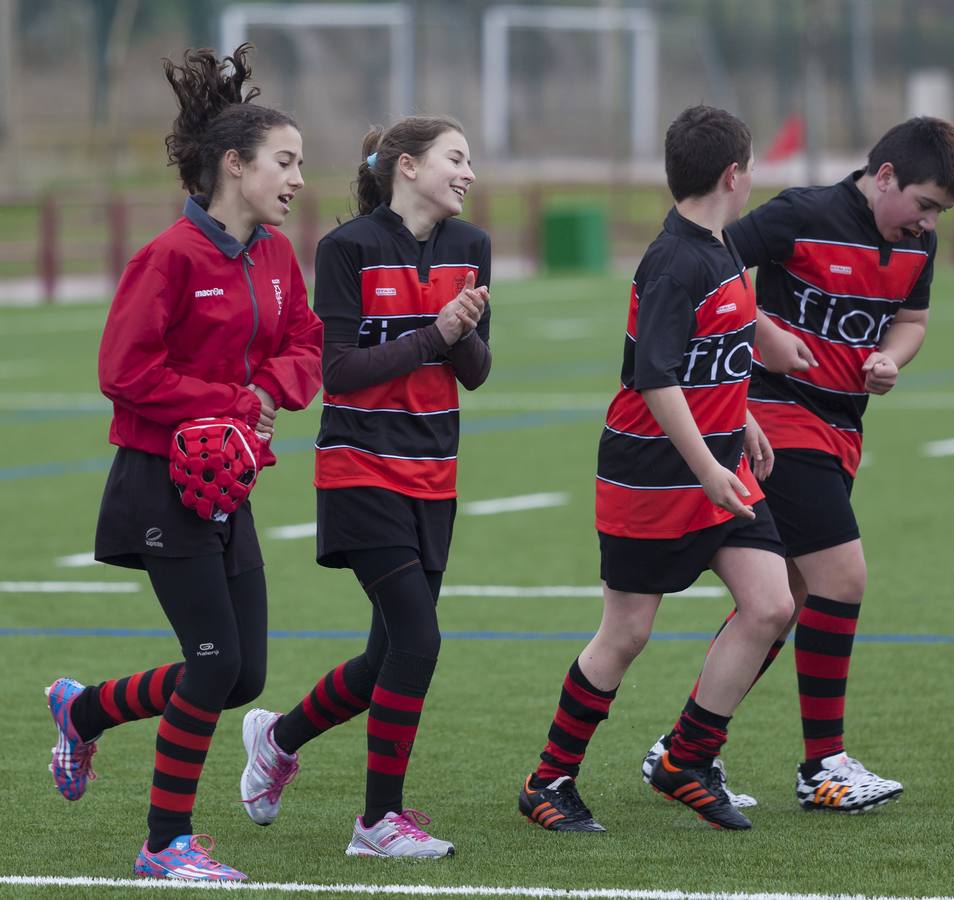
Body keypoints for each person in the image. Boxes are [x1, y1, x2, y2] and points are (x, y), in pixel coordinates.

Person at [43, 44, 323, 882]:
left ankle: (84, 711)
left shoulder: (274, 255)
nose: (299, 179)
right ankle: (165, 844)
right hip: (158, 479)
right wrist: (230, 403)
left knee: (243, 675)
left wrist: (271, 384)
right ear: (234, 166)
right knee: (211, 663)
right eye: (286, 162)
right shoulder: (169, 258)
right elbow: (122, 374)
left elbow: (306, 341)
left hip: (226, 483)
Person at [641, 116, 954, 814]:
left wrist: (891, 359)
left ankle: (684, 748)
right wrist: (764, 332)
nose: (928, 222)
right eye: (923, 204)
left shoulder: (919, 245)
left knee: (782, 603)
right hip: (777, 418)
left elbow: (912, 321)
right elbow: (712, 258)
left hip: (843, 428)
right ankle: (822, 766)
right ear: (885, 177)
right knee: (843, 578)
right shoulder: (803, 214)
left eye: (939, 212)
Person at [517, 105, 795, 834]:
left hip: (716, 460)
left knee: (771, 605)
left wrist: (744, 419)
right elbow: (654, 376)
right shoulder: (677, 261)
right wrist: (708, 463)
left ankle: (687, 759)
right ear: (734, 174)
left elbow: (714, 355)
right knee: (628, 632)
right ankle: (547, 780)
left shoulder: (719, 246)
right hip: (651, 470)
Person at [237, 116, 491, 860]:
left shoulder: (471, 248)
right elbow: (338, 373)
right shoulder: (346, 249)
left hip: (434, 475)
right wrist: (435, 336)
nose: (468, 172)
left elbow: (475, 372)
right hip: (359, 468)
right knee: (420, 637)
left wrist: (464, 331)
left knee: (388, 659)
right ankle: (378, 823)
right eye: (456, 158)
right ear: (406, 167)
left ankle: (278, 738)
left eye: (470, 160)